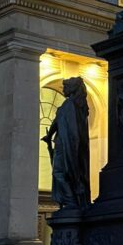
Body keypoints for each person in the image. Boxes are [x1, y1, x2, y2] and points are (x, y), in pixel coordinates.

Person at [42, 76, 91, 210]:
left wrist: (52, 136)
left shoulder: (70, 105)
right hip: (63, 144)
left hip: (66, 145)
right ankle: (72, 200)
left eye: (65, 87)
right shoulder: (71, 105)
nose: (63, 89)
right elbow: (57, 122)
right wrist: (49, 135)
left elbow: (67, 127)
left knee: (59, 172)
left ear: (72, 88)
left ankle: (71, 201)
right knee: (61, 172)